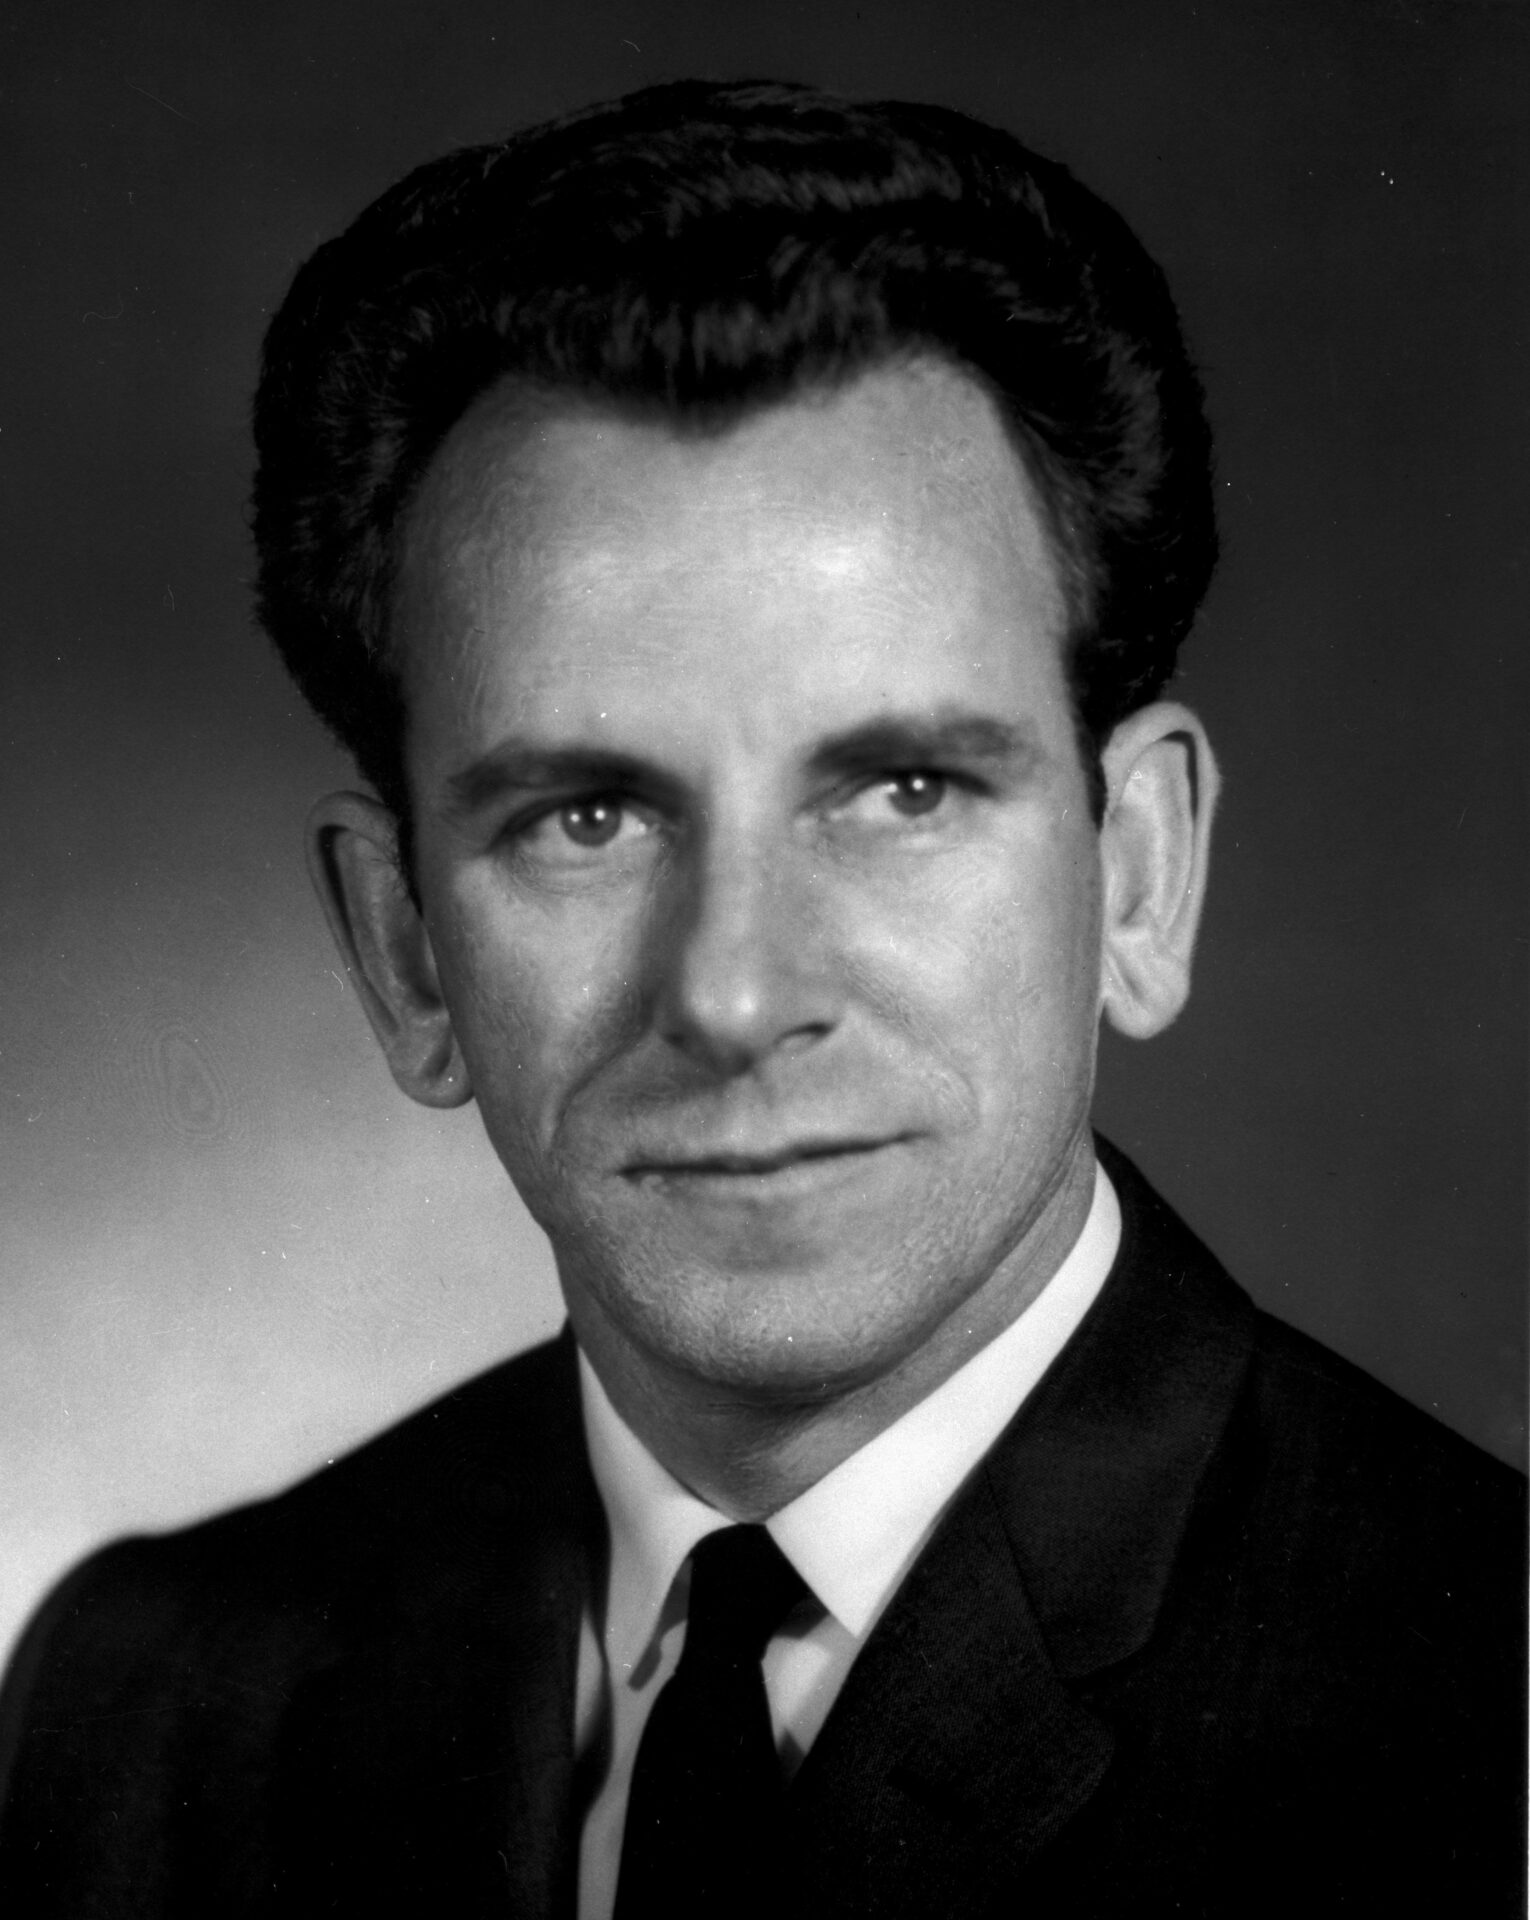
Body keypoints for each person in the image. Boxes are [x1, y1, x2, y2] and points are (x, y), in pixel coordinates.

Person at [0, 77, 1520, 1920]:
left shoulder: (1478, 1717)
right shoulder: (143, 1709)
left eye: (901, 791)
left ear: (1138, 870)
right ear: (403, 949)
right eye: (586, 816)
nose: (732, 992)